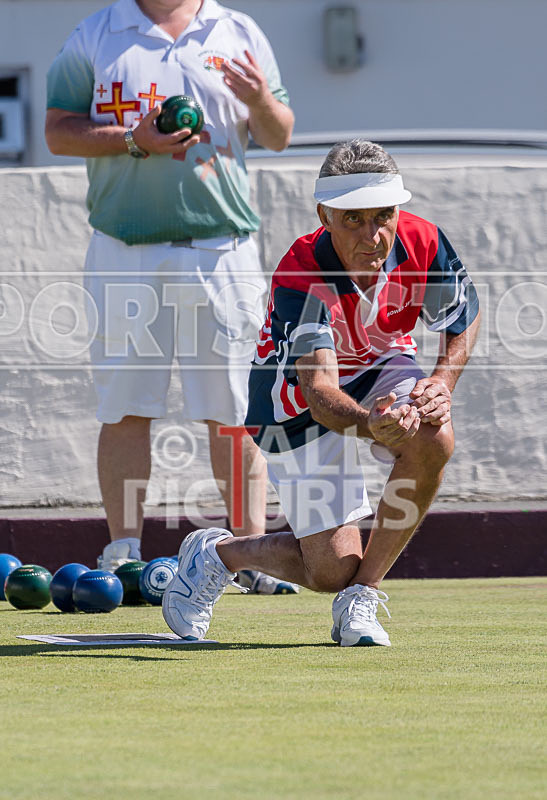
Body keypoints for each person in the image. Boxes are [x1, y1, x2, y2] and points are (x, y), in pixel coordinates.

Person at [161, 138, 481, 646]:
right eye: (353, 218)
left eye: (383, 216)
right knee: (330, 569)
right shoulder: (302, 273)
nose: (372, 235)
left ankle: (363, 596)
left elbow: (463, 320)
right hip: (289, 408)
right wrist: (367, 425)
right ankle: (218, 555)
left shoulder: (425, 243)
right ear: (324, 216)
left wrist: (441, 383)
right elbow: (319, 389)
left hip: (379, 363)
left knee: (435, 438)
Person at [45, 0, 297, 593]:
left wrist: (261, 101)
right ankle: (122, 554)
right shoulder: (96, 35)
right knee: (126, 408)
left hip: (224, 250)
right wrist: (134, 140)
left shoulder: (237, 30)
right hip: (124, 248)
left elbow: (279, 135)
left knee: (235, 413)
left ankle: (248, 557)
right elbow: (57, 131)